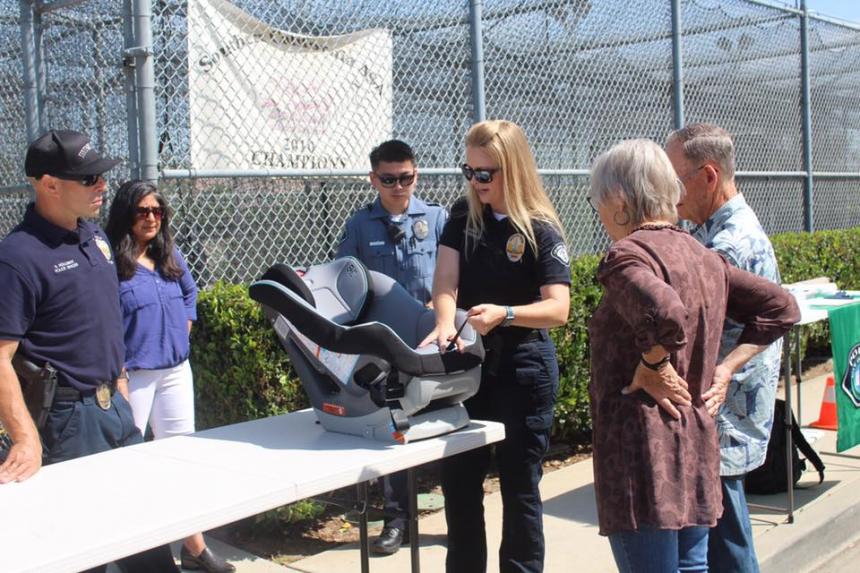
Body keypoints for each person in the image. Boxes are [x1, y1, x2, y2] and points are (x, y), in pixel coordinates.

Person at [586, 139, 799, 572]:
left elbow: (667, 315)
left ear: (620, 202)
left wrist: (653, 365)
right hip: (695, 447)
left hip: (641, 459)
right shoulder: (703, 256)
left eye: (599, 202)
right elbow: (782, 307)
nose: (600, 213)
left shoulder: (627, 255)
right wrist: (724, 368)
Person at [0, 129, 179, 572]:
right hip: (68, 422)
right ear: (49, 184)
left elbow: (103, 320)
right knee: (86, 551)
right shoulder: (18, 257)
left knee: (149, 539)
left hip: (112, 409)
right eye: (88, 179)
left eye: (100, 176)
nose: (101, 186)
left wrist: (117, 383)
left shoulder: (94, 237)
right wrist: (25, 437)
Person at [420, 119, 571, 572]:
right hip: (469, 368)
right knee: (460, 485)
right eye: (468, 171)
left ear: (513, 168)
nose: (475, 181)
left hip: (522, 371)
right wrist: (447, 322)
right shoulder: (463, 216)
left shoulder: (539, 228)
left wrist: (505, 314)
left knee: (519, 488)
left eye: (485, 173)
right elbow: (445, 280)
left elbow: (558, 308)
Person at [666, 123, 785, 572]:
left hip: (722, 417)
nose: (670, 191)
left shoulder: (727, 245)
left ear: (708, 176)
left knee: (726, 541)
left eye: (677, 178)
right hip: (725, 413)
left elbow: (773, 315)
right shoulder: (713, 230)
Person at [105, 181, 234, 573]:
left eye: (157, 211)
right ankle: (128, 556)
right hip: (135, 376)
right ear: (127, 213)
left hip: (176, 371)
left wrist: (180, 333)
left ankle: (194, 549)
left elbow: (190, 296)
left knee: (181, 462)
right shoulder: (111, 262)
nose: (150, 218)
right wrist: (120, 374)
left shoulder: (169, 255)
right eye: (142, 211)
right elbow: (104, 320)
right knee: (129, 467)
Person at [336, 139, 447, 554]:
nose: (398, 186)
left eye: (406, 178)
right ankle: (397, 521)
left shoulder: (436, 218)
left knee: (446, 425)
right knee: (394, 429)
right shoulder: (360, 226)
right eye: (389, 179)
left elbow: (454, 272)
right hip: (386, 344)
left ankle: (457, 514)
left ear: (416, 175)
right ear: (373, 179)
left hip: (430, 337)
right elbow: (347, 279)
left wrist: (441, 305)